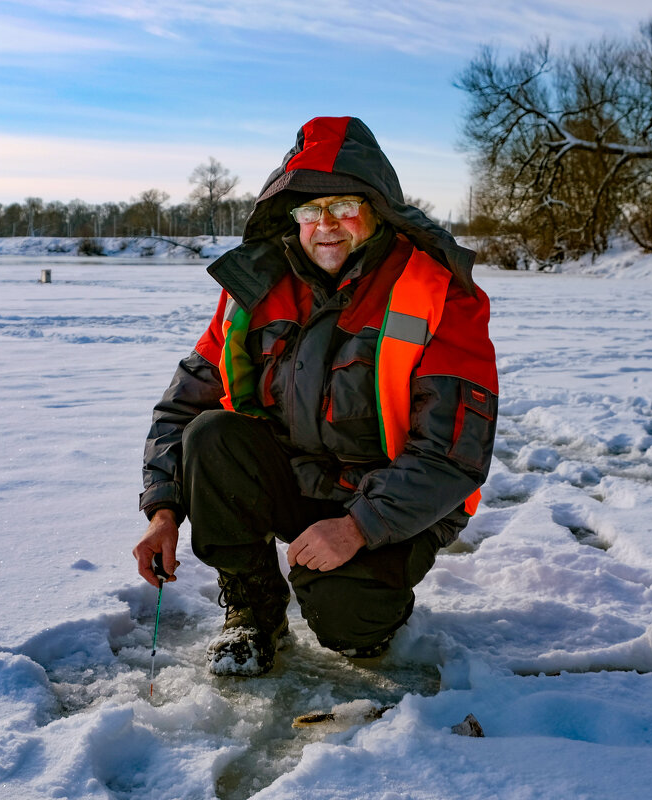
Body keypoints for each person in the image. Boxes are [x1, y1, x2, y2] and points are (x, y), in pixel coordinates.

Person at [132, 116, 498, 676]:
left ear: (378, 213)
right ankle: (254, 610)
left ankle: (369, 597)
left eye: (343, 207)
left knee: (349, 625)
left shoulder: (438, 292)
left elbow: (453, 453)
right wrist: (162, 512)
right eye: (309, 211)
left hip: (397, 500)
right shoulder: (254, 290)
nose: (324, 226)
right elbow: (181, 408)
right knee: (212, 434)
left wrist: (357, 528)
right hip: (301, 481)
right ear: (291, 218)